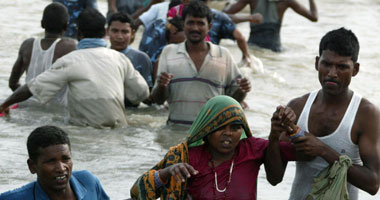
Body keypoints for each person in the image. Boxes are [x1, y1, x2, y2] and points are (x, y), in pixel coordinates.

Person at [0, 8, 149, 128]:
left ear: (78, 33)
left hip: (84, 131)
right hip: (119, 131)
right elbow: (142, 93)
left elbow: (32, 88)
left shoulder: (69, 61)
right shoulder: (120, 58)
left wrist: (5, 104)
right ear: (105, 33)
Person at [130, 95, 297, 199]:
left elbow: (302, 153)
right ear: (206, 129)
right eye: (220, 127)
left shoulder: (251, 148)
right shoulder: (184, 156)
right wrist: (167, 172)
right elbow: (137, 193)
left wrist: (281, 130)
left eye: (235, 128)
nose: (228, 134)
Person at [285, 28, 380, 199]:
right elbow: (274, 178)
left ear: (355, 69)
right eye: (326, 64)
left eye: (342, 67)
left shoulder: (365, 114)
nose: (332, 73)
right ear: (316, 63)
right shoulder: (298, 107)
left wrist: (322, 150)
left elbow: (373, 183)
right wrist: (274, 133)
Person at [151, 0, 251, 125]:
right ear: (183, 24)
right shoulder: (168, 52)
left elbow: (232, 102)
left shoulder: (223, 55)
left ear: (209, 26)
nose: (195, 28)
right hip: (174, 133)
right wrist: (161, 85)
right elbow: (158, 100)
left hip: (211, 136)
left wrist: (242, 91)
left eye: (200, 23)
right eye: (190, 23)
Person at [0, 125, 109, 199]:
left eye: (65, 159)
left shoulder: (88, 181)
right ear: (32, 166)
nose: (61, 168)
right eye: (51, 161)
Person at [8, 2, 77, 104]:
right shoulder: (71, 46)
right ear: (66, 26)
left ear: (42, 24)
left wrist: (29, 98)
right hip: (57, 112)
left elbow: (13, 83)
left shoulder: (27, 45)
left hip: (28, 108)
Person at [224, 0, 318, 52]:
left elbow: (223, 16)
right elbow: (314, 17)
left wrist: (228, 5)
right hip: (274, 49)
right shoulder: (286, 1)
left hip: (253, 48)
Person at [107, 12, 153, 107]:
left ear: (133, 33)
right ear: (107, 31)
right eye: (115, 31)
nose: (119, 36)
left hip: (132, 110)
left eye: (124, 32)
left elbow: (148, 98)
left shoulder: (141, 58)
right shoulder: (101, 57)